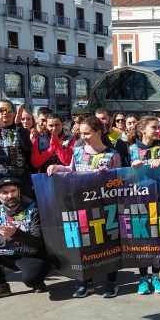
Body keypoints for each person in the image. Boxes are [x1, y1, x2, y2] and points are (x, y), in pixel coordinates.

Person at [47, 116, 122, 298]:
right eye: (81, 133)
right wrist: (57, 167)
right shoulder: (78, 151)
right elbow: (71, 170)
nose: (84, 136)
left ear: (98, 132)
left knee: (108, 244)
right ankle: (85, 282)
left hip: (105, 207)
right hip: (80, 206)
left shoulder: (112, 155)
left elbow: (119, 183)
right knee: (82, 244)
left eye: (87, 133)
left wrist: (108, 177)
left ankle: (111, 282)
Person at [0, 178, 50, 301]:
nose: (10, 195)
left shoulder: (33, 208)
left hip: (32, 254)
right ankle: (1, 286)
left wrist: (16, 233)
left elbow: (38, 243)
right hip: (10, 252)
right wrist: (8, 238)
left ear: (19, 191)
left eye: (13, 191)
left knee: (31, 280)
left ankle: (37, 279)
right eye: (5, 192)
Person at [128, 116, 160, 295]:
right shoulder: (131, 148)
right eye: (154, 127)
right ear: (142, 129)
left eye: (158, 127)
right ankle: (142, 278)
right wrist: (132, 167)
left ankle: (156, 276)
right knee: (143, 238)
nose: (157, 130)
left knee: (158, 238)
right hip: (139, 199)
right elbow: (119, 173)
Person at [0, 101, 33, 203]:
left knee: (24, 213)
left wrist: (18, 125)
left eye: (8, 110)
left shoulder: (21, 130)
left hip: (19, 179)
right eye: (1, 110)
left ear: (14, 113)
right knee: (0, 214)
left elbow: (27, 147)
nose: (5, 113)